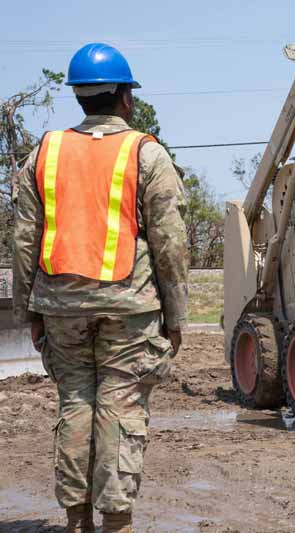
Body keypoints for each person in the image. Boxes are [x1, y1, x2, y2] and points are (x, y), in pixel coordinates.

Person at [12, 42, 188, 533]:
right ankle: (117, 522)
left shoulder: (44, 154)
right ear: (125, 98)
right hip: (128, 308)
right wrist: (176, 317)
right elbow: (171, 242)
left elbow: (23, 240)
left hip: (61, 308)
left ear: (79, 96)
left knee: (76, 405)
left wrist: (29, 312)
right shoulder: (146, 152)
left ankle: (76, 520)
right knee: (120, 408)